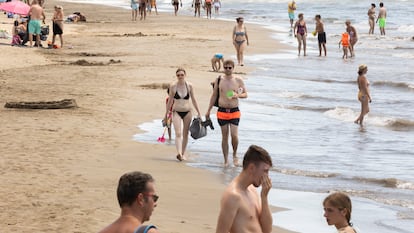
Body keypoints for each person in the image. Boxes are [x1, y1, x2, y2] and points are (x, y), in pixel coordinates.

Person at [215, 145, 273, 233]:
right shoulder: (233, 196)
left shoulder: (252, 190)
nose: (267, 176)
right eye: (265, 171)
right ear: (252, 168)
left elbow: (267, 230)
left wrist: (264, 197)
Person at [205, 60, 247, 167]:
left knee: (234, 135)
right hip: (222, 111)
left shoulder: (238, 80)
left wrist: (237, 96)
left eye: (230, 68)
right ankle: (225, 160)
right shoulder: (219, 80)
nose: (228, 70)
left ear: (233, 68)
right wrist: (208, 110)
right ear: (223, 68)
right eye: (226, 67)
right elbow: (214, 95)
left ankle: (235, 154)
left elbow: (245, 94)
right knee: (224, 136)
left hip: (234, 111)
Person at [164, 68, 201, 161]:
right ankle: (179, 153)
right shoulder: (173, 86)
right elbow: (170, 100)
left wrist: (199, 112)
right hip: (176, 111)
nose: (180, 76)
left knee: (185, 133)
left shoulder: (189, 86)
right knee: (178, 133)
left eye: (182, 75)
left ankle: (183, 153)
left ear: (185, 75)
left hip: (188, 111)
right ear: (176, 76)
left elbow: (193, 99)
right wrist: (167, 113)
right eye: (178, 75)